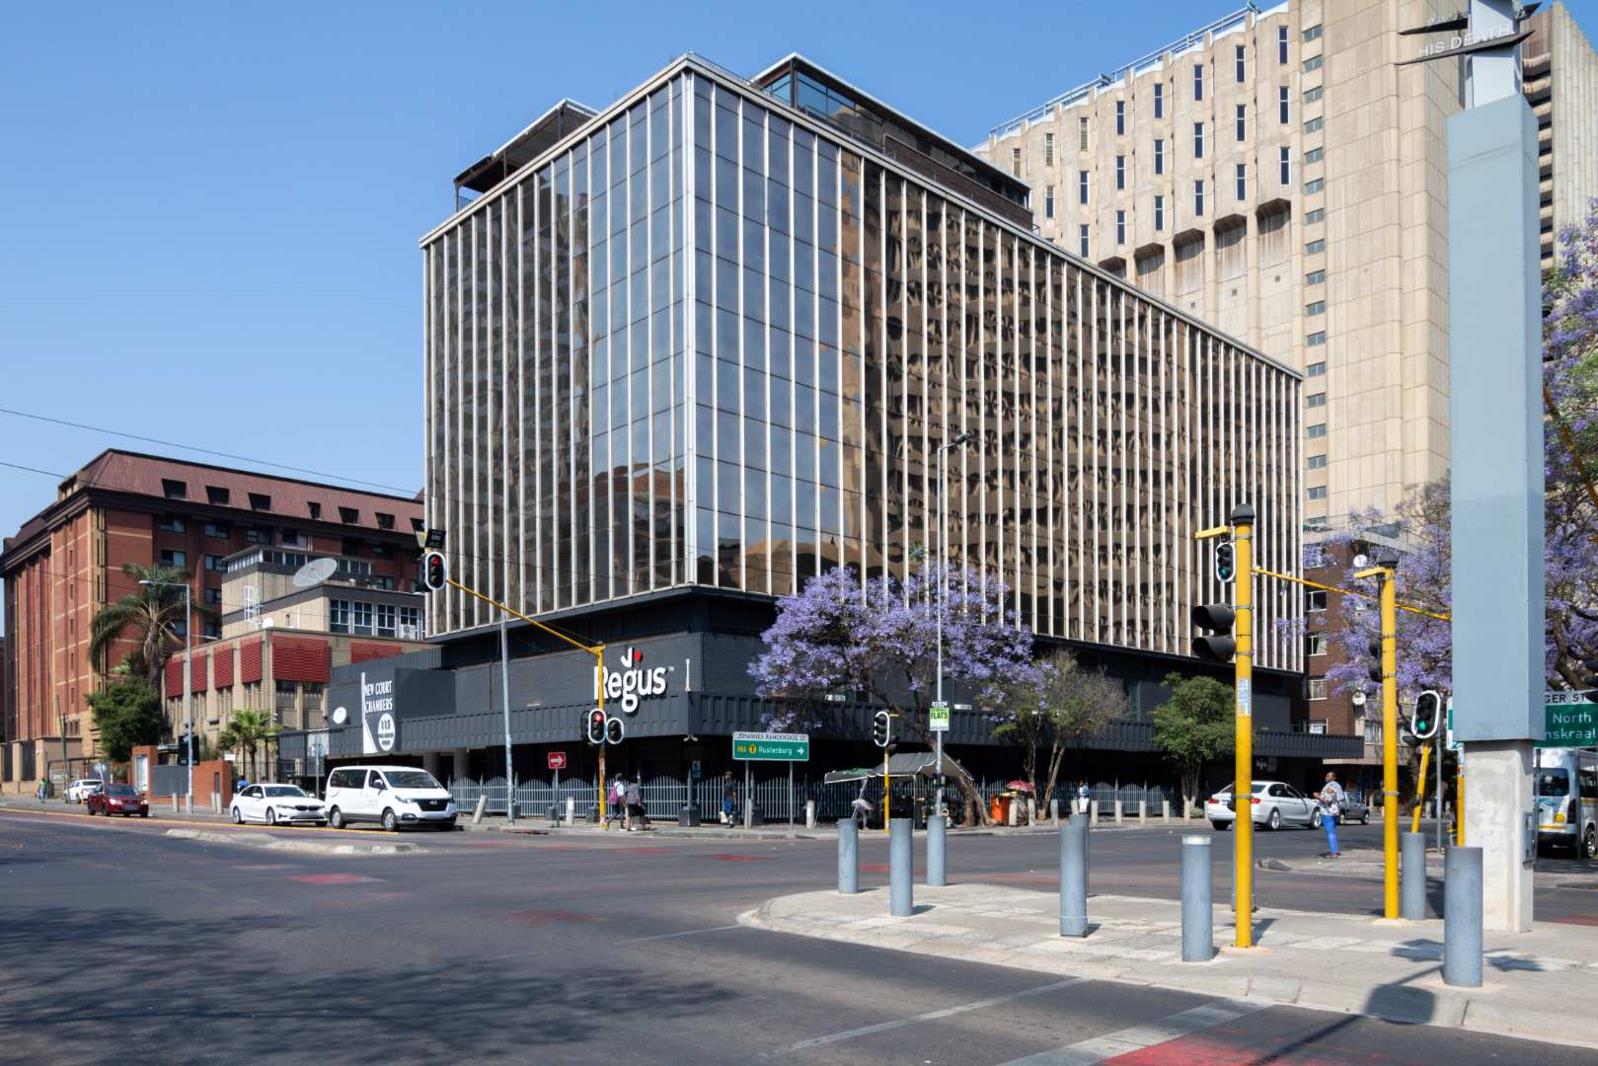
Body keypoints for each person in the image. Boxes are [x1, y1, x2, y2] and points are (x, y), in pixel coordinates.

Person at [1317, 771, 1346, 858]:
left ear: (1334, 778)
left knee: (1330, 833)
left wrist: (1317, 796)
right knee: (1332, 832)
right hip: (1334, 812)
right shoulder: (1337, 786)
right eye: (1326, 776)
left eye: (1328, 776)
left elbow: (1328, 800)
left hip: (1328, 812)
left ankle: (1334, 853)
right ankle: (1335, 851)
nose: (1326, 777)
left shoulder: (1331, 787)